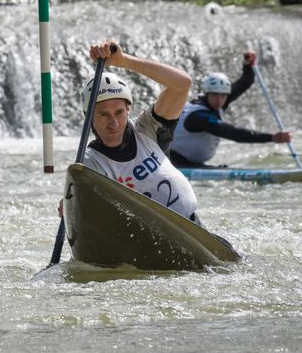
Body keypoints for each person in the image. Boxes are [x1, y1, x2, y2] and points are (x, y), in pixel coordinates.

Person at [60, 40, 203, 225]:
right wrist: (71, 205)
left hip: (194, 229)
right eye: (103, 114)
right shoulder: (89, 163)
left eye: (119, 112)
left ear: (128, 110)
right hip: (145, 241)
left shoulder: (147, 127)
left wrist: (123, 61)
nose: (114, 123)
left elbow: (182, 84)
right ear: (89, 117)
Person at [168, 51, 292, 168]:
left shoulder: (218, 99)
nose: (219, 100)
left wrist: (247, 65)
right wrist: (271, 137)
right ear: (207, 93)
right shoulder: (199, 117)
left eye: (223, 96)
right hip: (175, 161)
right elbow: (233, 133)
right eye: (215, 95)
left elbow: (244, 82)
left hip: (191, 162)